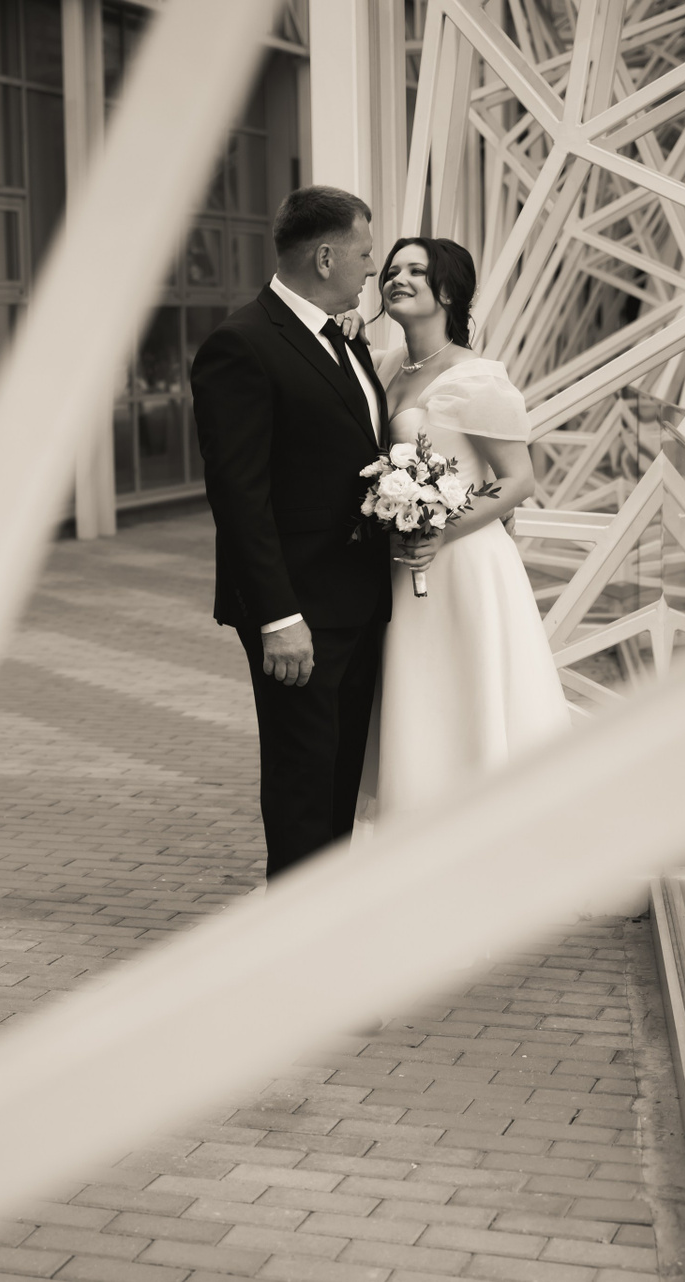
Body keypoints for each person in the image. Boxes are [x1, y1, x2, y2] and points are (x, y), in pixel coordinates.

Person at [190, 186, 392, 881]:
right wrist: (279, 617)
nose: (373, 268)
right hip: (298, 610)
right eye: (365, 254)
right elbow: (239, 497)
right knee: (303, 776)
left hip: (359, 600)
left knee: (339, 772)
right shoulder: (241, 345)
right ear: (326, 258)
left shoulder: (346, 339)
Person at [343, 236, 571, 830]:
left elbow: (518, 480)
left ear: (447, 290)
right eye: (391, 269)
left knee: (463, 691)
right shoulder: (383, 366)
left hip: (462, 560)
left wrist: (440, 531)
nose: (397, 278)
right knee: (417, 695)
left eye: (416, 271)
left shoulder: (477, 379)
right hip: (401, 562)